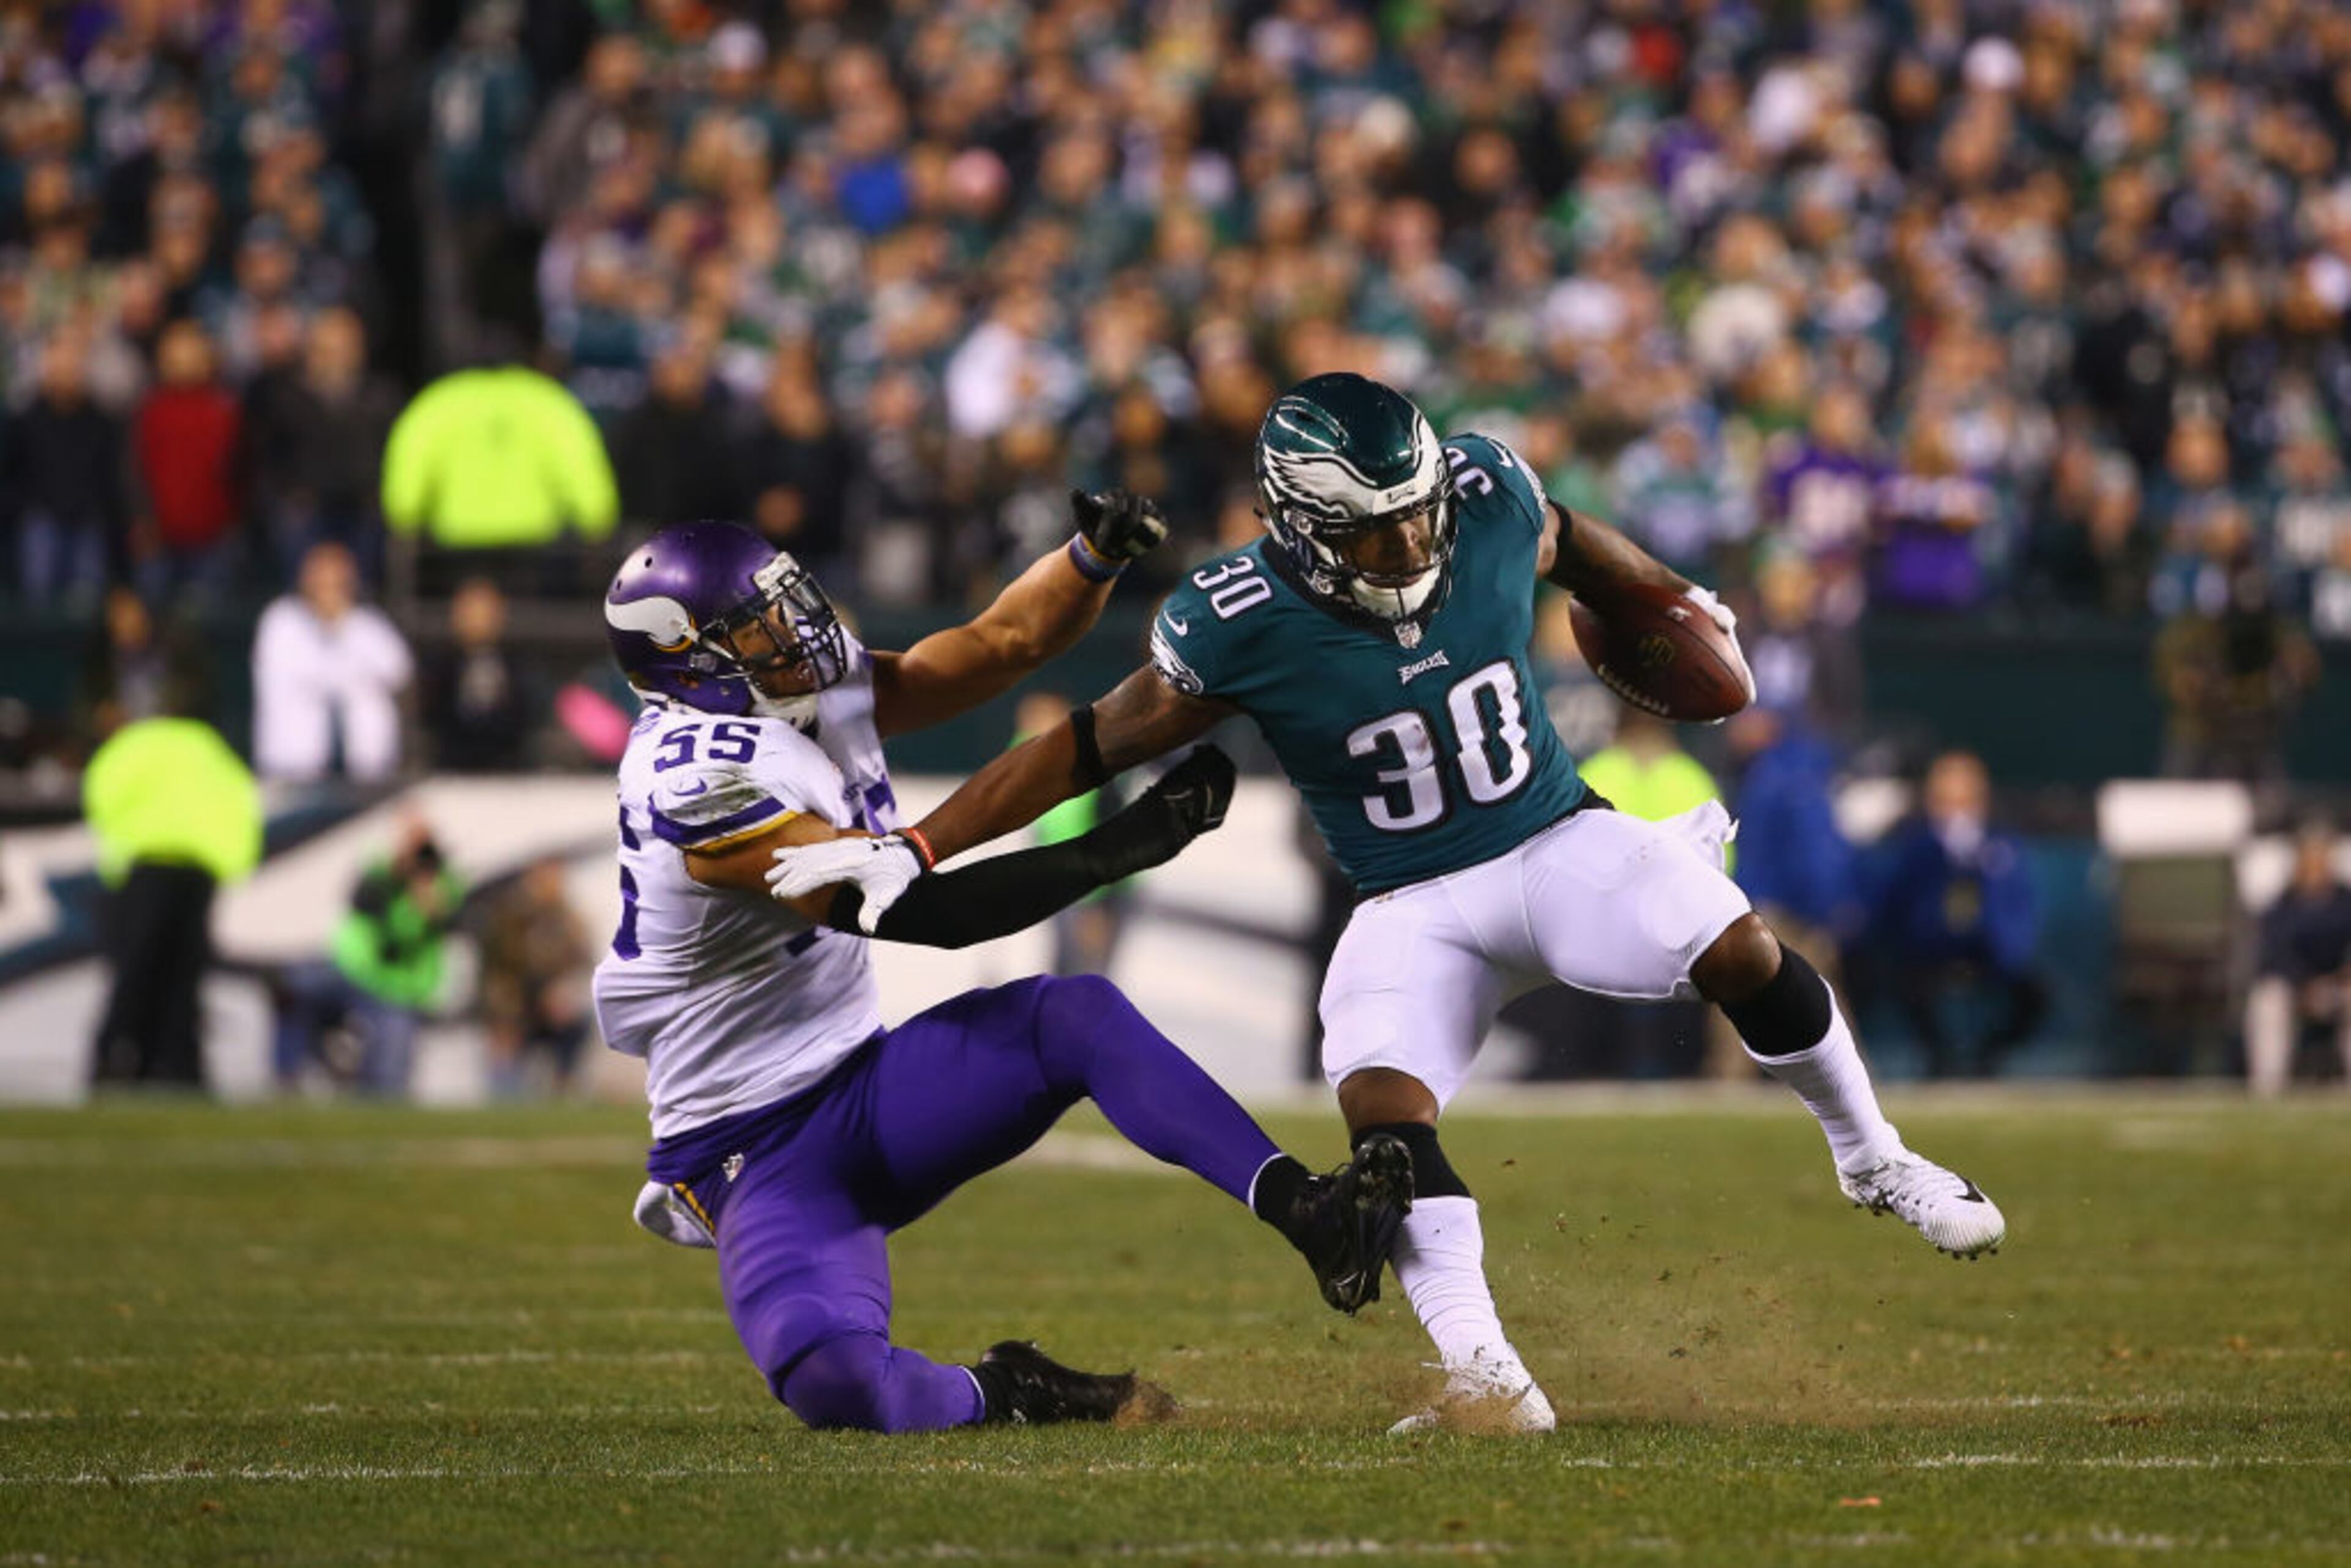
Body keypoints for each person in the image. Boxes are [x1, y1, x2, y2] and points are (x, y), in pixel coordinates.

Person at [778, 372, 2008, 1433]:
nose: (1412, 550)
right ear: (1303, 531)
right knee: (1381, 1122)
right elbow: (1084, 746)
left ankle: (1874, 1153)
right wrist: (923, 842)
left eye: (1417, 519)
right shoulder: (1237, 618)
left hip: (1552, 836)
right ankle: (1492, 1378)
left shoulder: (1482, 495)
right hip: (1408, 897)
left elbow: (1571, 537)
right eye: (1375, 538)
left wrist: (1676, 594)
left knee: (1739, 944)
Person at [593, 501, 1413, 1435]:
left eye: (787, 605)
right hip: (753, 1153)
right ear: (688, 659)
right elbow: (916, 914)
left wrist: (1090, 559)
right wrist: (1117, 850)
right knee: (834, 1382)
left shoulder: (807, 696)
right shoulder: (695, 777)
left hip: (865, 1087)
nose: (797, 631)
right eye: (759, 624)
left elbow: (1004, 639)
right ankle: (1009, 1390)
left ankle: (1311, 1212)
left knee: (1075, 1018)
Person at [83, 714, 263, 1089]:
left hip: (147, 865)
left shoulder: (135, 743)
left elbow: (102, 790)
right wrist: (235, 860)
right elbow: (240, 800)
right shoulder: (208, 747)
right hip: (195, 869)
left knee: (141, 968)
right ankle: (175, 1067)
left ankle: (119, 1061)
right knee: (179, 972)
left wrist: (115, 848)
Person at [1864, 750, 2046, 1081]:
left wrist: (2002, 946)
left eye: (1965, 800)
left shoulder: (2003, 846)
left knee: (2035, 994)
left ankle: (1986, 1058)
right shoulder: (1913, 846)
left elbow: (2019, 910)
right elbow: (1898, 911)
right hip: (1928, 954)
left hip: (1990, 953)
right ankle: (1941, 1059)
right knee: (1904, 985)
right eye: (1947, 800)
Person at [274, 817, 466, 1095]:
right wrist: (399, 874)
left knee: (388, 1083)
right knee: (291, 990)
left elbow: (423, 931)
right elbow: (362, 901)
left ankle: (355, 1080)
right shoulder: (383, 875)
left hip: (396, 988)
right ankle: (288, 1076)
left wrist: (429, 906)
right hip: (351, 971)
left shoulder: (445, 888)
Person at [251, 541, 414, 782]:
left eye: (337, 583)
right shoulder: (281, 621)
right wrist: (359, 675)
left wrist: (342, 621)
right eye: (322, 582)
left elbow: (400, 670)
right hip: (292, 772)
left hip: (366, 775)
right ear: (306, 580)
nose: (329, 591)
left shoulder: (367, 623)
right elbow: (318, 673)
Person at [2243, 820, 2351, 1096]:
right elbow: (2275, 954)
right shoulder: (2281, 905)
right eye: (2309, 856)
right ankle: (2268, 1087)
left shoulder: (2345, 902)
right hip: (2295, 987)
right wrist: (2303, 985)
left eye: (2321, 855)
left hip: (2339, 985)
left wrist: (2341, 979)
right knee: (2268, 1001)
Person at [478, 856, 594, 1097]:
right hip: (516, 1007)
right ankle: (504, 1102)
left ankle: (564, 1091)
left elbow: (583, 965)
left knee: (581, 1023)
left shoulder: (570, 920)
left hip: (552, 1010)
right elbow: (497, 972)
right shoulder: (510, 917)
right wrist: (504, 1017)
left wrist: (564, 994)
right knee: (505, 1056)